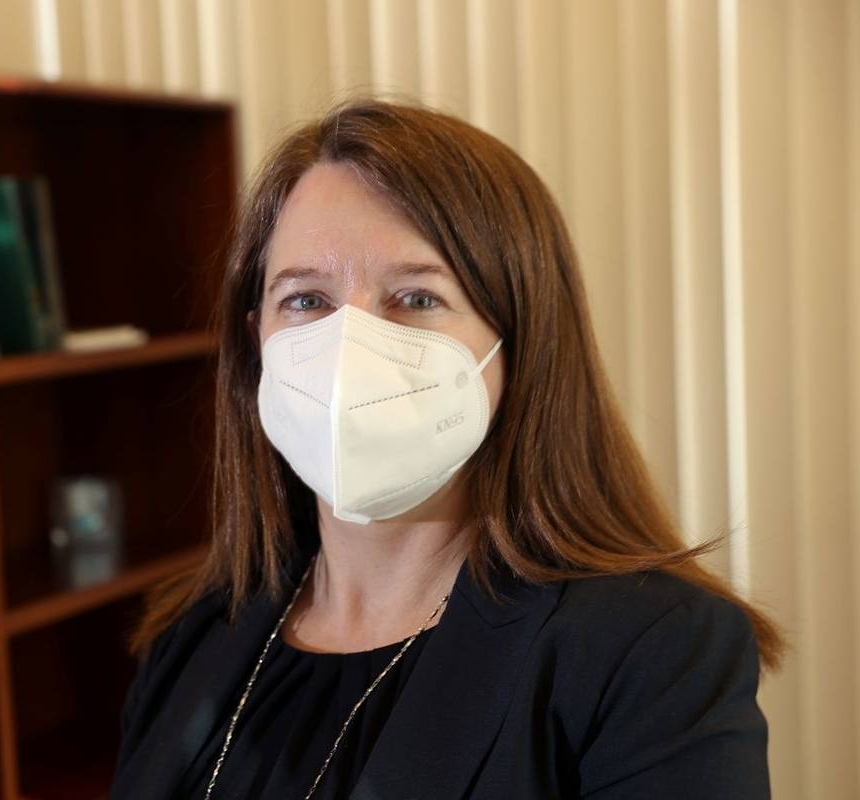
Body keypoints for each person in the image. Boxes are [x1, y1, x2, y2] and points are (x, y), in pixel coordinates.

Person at [108, 97, 783, 800]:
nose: (348, 350)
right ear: (257, 343)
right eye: (306, 300)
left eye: (416, 299)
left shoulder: (651, 652)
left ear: (519, 343)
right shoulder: (190, 635)